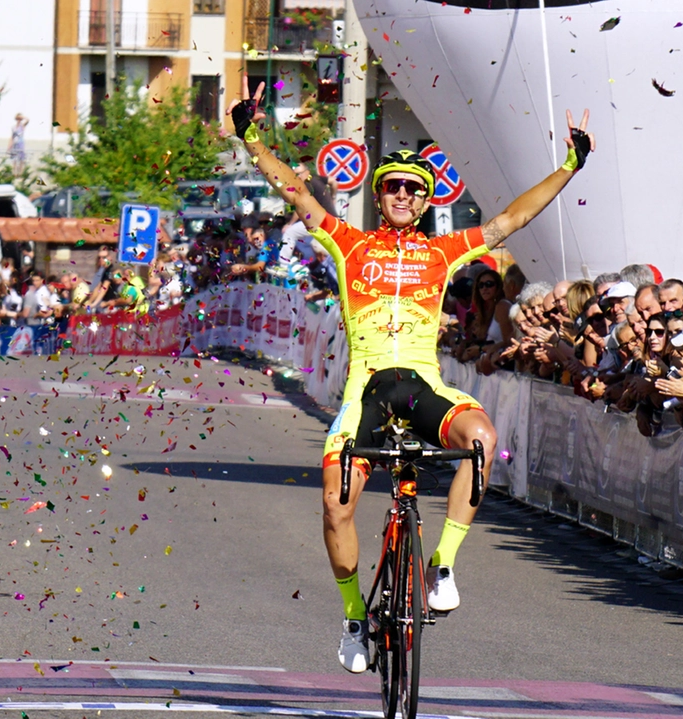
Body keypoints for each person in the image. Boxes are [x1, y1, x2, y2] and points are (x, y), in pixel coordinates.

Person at [227, 75, 594, 673]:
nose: (401, 194)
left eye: (411, 189)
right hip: (367, 391)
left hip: (421, 384)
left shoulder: (445, 252)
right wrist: (251, 138)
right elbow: (295, 192)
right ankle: (352, 618)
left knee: (483, 441)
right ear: (381, 194)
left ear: (425, 201)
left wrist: (570, 168)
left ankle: (441, 564)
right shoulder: (349, 243)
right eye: (392, 186)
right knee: (335, 504)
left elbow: (510, 221)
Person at [7, 113, 29, 178]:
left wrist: (22, 116)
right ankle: (14, 173)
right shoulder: (13, 127)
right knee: (14, 159)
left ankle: (20, 173)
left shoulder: (22, 126)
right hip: (15, 144)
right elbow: (12, 137)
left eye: (20, 119)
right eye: (18, 119)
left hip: (20, 143)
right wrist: (9, 146)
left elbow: (28, 120)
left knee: (21, 159)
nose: (19, 120)